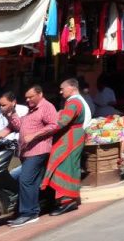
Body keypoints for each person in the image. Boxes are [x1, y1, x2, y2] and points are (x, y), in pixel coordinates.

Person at [0, 85, 57, 228]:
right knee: (31, 182)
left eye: (31, 97)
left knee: (25, 179)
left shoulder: (46, 107)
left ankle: (28, 213)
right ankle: (31, 211)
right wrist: (11, 115)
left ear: (40, 94)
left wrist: (34, 135)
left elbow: (54, 125)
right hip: (27, 152)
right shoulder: (31, 110)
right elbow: (19, 126)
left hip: (38, 150)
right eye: (27, 98)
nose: (28, 99)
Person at [41, 79, 91, 216]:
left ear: (72, 87)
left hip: (71, 138)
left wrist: (43, 130)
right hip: (74, 136)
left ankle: (67, 201)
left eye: (63, 88)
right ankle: (65, 199)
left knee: (64, 166)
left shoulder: (74, 102)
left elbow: (62, 122)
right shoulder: (77, 101)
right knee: (68, 165)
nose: (60, 91)